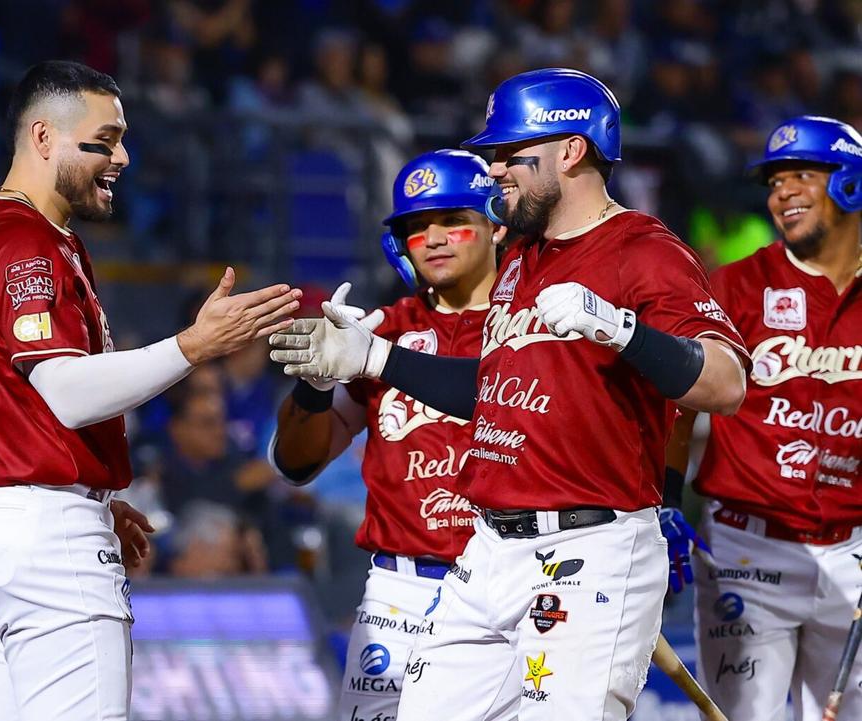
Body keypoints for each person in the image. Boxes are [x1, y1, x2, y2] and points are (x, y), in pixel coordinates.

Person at [270, 67, 749, 720]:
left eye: (507, 153)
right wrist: (374, 357)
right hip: (490, 551)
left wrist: (623, 329)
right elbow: (495, 389)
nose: (495, 168)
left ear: (571, 150)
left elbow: (725, 382)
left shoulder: (643, 249)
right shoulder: (523, 257)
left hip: (589, 543)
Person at [0, 60, 300, 721]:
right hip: (37, 534)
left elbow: (17, 402)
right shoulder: (28, 242)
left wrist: (91, 490)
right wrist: (194, 346)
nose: (122, 156)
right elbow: (66, 391)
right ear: (44, 138)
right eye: (103, 139)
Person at [271, 148, 499, 721]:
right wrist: (315, 385)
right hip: (402, 594)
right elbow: (296, 462)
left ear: (495, 224)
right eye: (417, 226)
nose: (435, 238)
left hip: (511, 585)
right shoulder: (381, 330)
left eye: (454, 221)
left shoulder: (535, 325)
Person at [666, 115, 862, 721]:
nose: (783, 193)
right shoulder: (737, 286)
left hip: (853, 552)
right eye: (775, 181)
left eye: (803, 174)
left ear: (853, 184)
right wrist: (666, 504)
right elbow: (676, 404)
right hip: (746, 553)